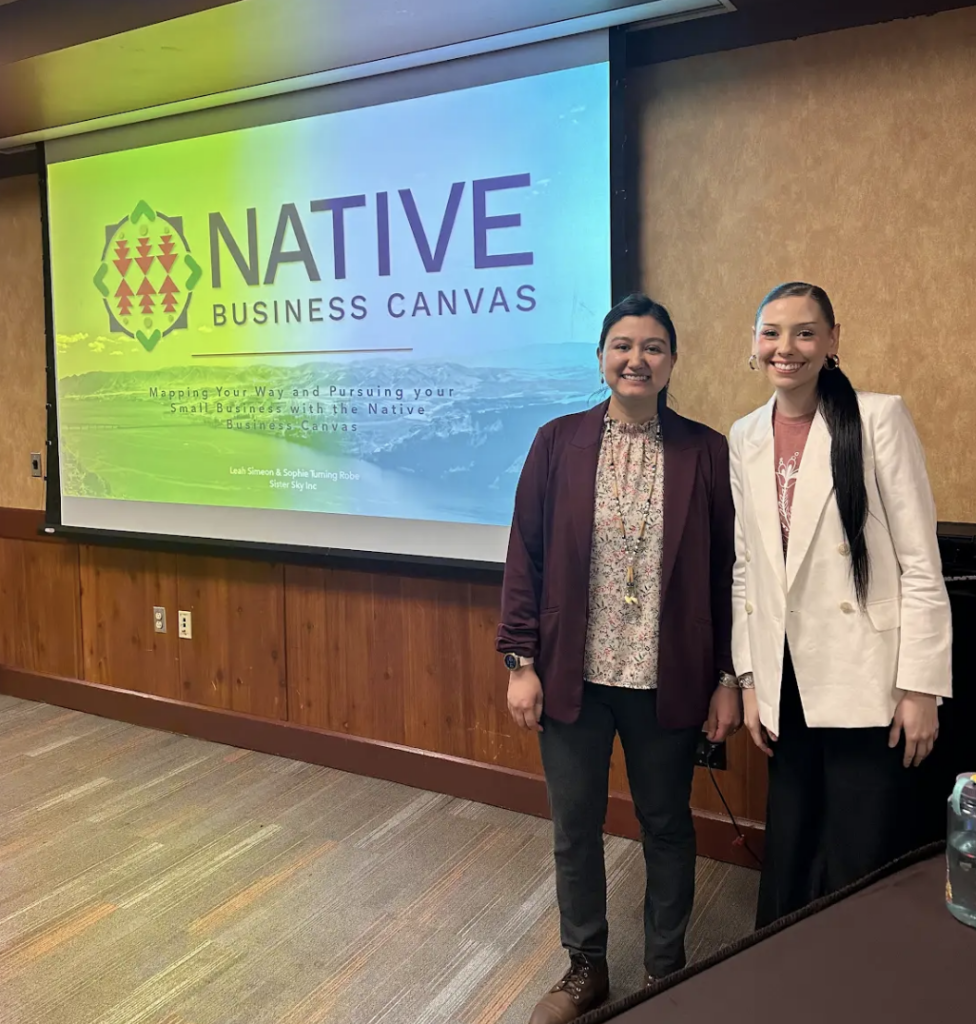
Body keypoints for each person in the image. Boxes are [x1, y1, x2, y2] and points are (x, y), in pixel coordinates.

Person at [497, 293, 741, 1024]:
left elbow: (728, 572)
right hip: (572, 676)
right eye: (623, 346)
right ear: (601, 358)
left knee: (666, 823)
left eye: (653, 347)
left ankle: (666, 966)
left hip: (667, 677)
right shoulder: (556, 443)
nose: (637, 359)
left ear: (672, 361)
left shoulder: (706, 452)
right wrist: (520, 662)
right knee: (575, 826)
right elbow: (525, 555)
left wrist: (727, 677)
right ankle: (586, 967)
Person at [729, 281, 953, 928]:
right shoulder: (745, 435)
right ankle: (785, 964)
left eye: (804, 332)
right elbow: (747, 569)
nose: (786, 347)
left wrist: (921, 686)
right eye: (772, 332)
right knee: (792, 846)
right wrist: (750, 680)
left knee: (859, 849)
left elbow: (920, 563)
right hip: (785, 675)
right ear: (754, 344)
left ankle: (855, 969)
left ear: (832, 341)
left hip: (865, 674)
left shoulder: (878, 418)